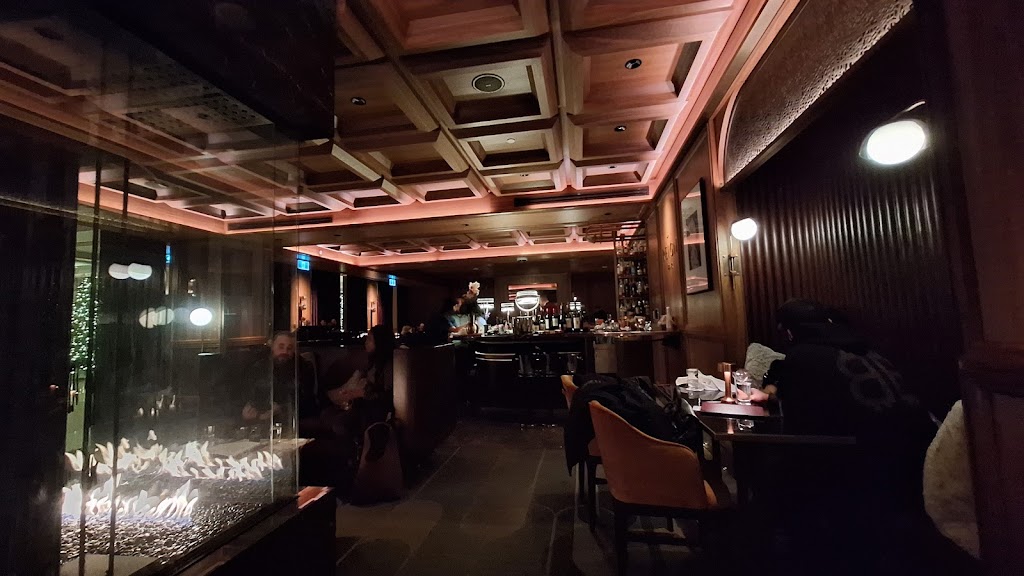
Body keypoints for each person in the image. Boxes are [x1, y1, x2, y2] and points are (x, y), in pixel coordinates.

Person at [241, 331, 318, 425]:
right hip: (260, 418)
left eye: (289, 348)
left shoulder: (304, 368)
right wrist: (257, 414)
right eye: (281, 347)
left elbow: (307, 401)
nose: (285, 352)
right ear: (272, 346)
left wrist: (281, 409)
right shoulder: (257, 368)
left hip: (294, 419)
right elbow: (247, 397)